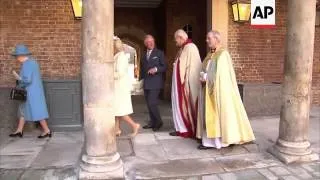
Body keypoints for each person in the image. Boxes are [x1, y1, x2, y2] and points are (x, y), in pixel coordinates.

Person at [196, 30, 255, 150]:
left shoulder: (223, 55)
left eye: (209, 38)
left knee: (217, 115)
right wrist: (202, 76)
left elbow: (221, 75)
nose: (207, 41)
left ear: (217, 39)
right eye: (207, 38)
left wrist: (206, 77)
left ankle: (218, 142)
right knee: (208, 114)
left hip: (218, 92)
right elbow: (204, 69)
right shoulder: (210, 55)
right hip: (207, 90)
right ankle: (208, 142)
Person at [9, 44, 52, 138]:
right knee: (23, 110)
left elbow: (27, 80)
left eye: (16, 56)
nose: (16, 58)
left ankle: (47, 130)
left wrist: (18, 81)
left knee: (37, 111)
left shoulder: (27, 64)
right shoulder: (33, 63)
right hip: (35, 91)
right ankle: (19, 130)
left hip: (30, 92)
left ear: (21, 55)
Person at [170, 29, 202, 138]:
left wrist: (184, 81)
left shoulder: (190, 47)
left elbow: (190, 66)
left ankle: (185, 128)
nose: (176, 43)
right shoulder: (184, 48)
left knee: (186, 106)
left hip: (187, 83)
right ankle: (180, 127)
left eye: (176, 40)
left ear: (180, 37)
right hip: (180, 83)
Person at [114, 36, 140, 137]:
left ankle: (134, 125)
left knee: (120, 111)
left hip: (120, 87)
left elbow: (120, 73)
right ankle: (117, 129)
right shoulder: (117, 56)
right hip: (117, 87)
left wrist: (108, 74)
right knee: (117, 110)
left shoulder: (121, 57)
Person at [140, 35, 167, 131]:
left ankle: (158, 122)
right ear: (145, 44)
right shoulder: (143, 55)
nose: (150, 43)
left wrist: (155, 69)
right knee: (148, 103)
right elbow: (142, 68)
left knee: (152, 103)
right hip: (146, 83)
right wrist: (141, 80)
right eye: (147, 42)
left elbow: (164, 67)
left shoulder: (159, 53)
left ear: (154, 42)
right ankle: (152, 122)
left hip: (156, 82)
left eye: (151, 41)